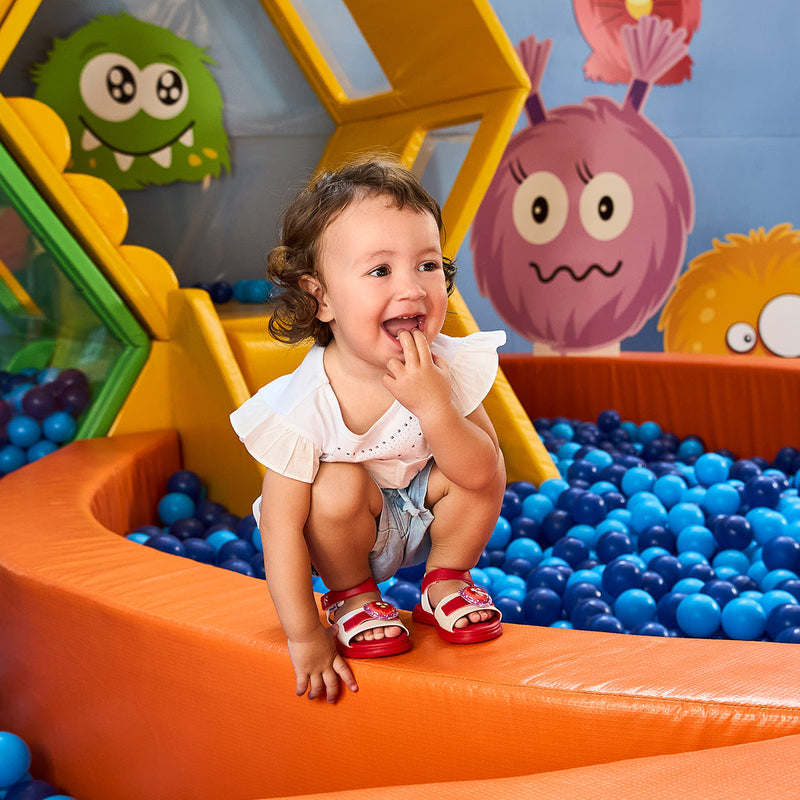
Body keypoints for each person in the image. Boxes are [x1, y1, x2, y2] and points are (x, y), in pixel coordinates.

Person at [230, 155, 506, 704]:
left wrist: (436, 408)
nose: (412, 289)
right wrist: (304, 634)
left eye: (427, 266)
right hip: (348, 536)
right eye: (380, 271)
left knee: (483, 461)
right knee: (332, 482)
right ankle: (353, 597)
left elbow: (482, 473)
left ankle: (444, 582)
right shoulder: (305, 406)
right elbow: (281, 529)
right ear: (322, 298)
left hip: (430, 520)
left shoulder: (444, 367)